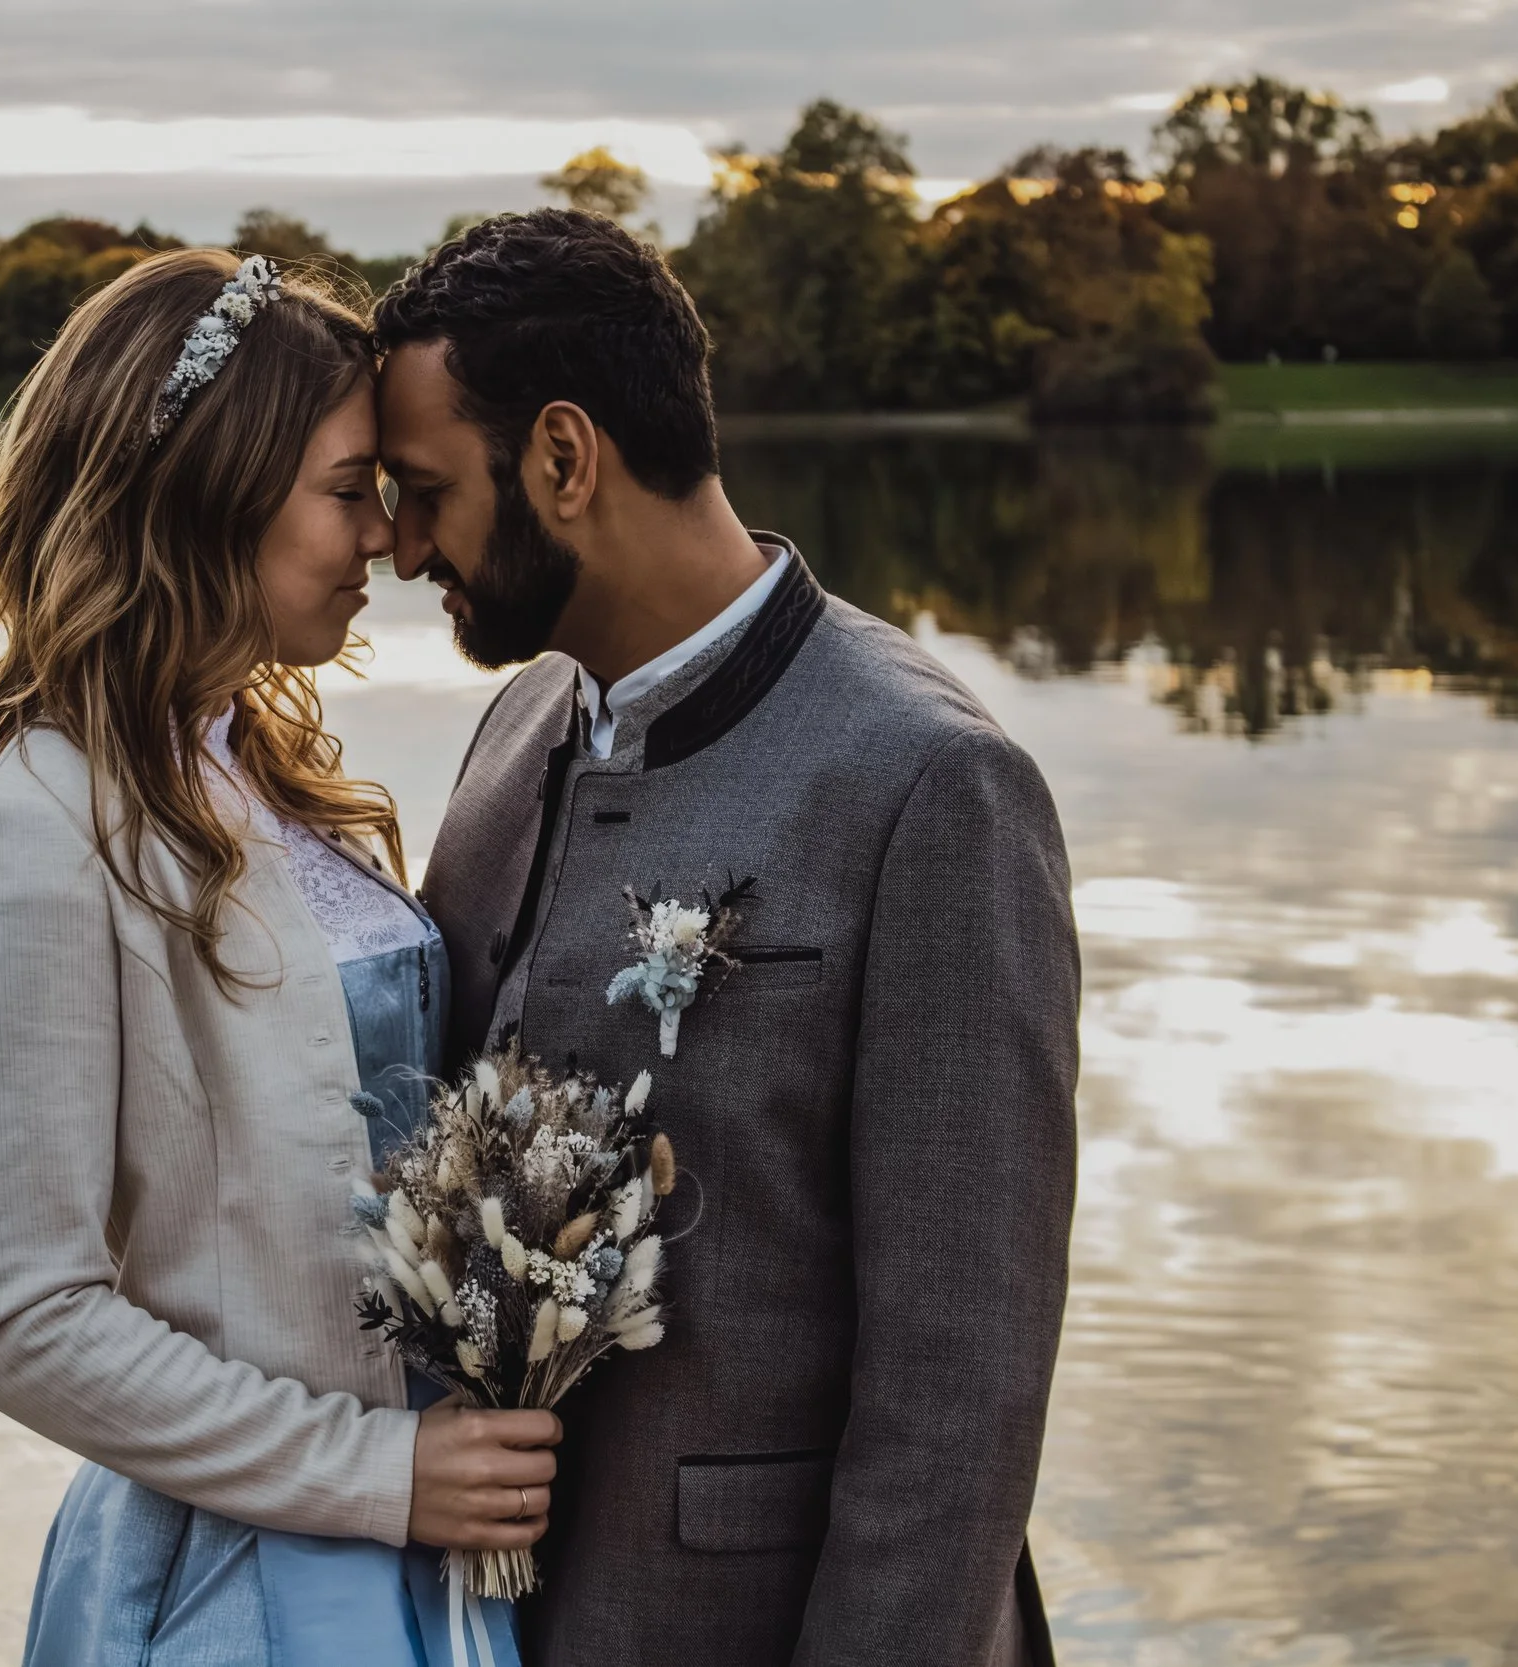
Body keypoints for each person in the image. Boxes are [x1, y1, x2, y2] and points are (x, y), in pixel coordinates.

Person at [378, 209, 1080, 1666]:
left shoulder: (932, 784)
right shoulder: (521, 723)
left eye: (424, 490)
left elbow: (961, 1383)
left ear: (565, 460)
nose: (396, 546)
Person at [0, 248, 542, 1666]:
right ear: (208, 492)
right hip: (242, 1582)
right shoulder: (38, 832)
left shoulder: (258, 778)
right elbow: (22, 1318)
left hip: (419, 1560)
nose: (383, 535)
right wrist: (380, 1475)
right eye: (344, 488)